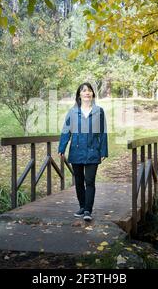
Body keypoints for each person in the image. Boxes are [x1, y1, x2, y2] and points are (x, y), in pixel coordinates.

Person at [58, 82, 108, 222]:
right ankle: (82, 207)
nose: (87, 93)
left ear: (92, 94)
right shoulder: (72, 112)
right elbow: (66, 130)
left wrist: (103, 150)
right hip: (77, 151)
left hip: (93, 151)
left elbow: (103, 132)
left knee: (90, 181)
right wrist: (62, 147)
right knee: (79, 181)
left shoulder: (99, 111)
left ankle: (87, 210)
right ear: (79, 94)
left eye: (89, 90)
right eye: (84, 90)